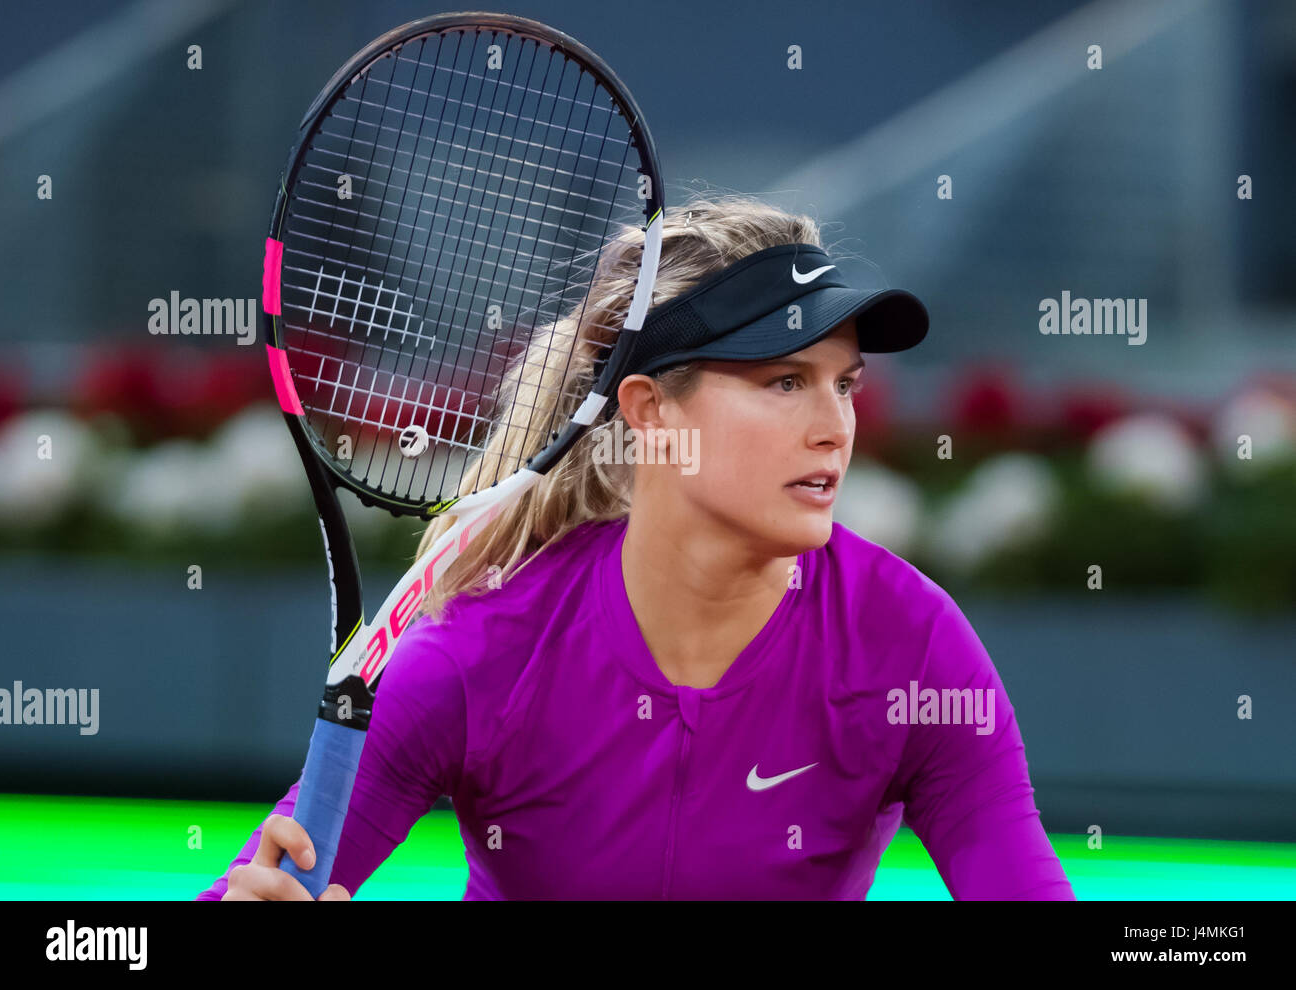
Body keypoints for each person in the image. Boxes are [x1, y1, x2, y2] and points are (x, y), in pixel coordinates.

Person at [198, 193, 1074, 900]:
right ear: (652, 412)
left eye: (843, 385)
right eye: (784, 381)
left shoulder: (913, 648)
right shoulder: (481, 653)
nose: (834, 428)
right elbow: (259, 891)